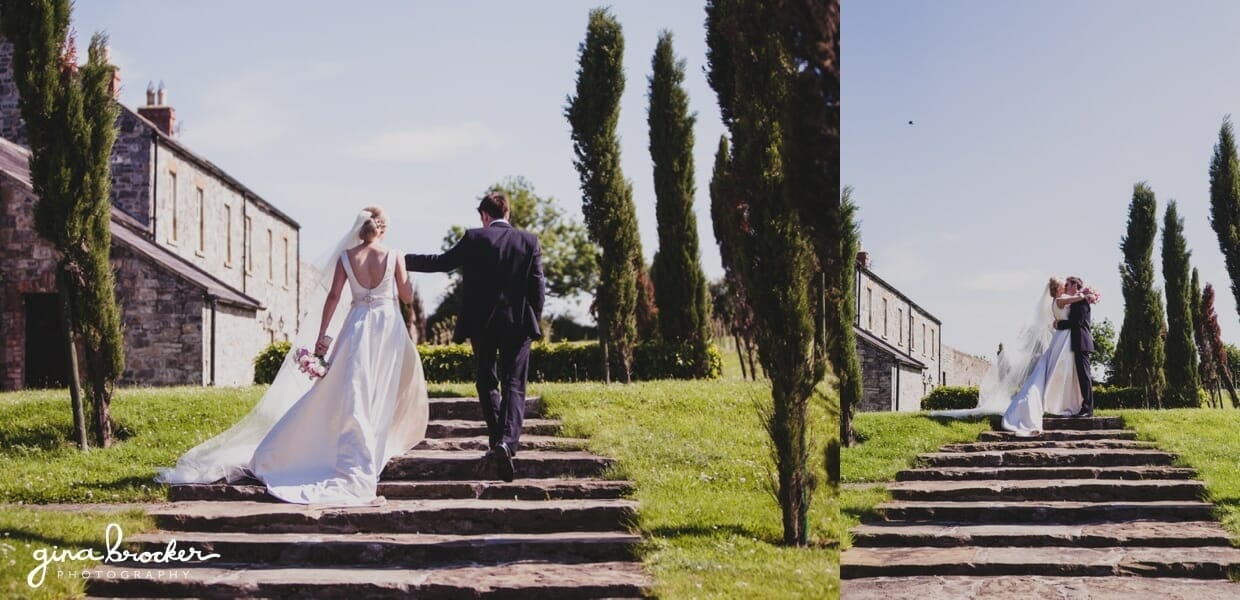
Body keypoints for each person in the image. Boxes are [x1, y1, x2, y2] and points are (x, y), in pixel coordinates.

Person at [156, 207, 429, 505]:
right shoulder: (394, 256)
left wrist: (323, 337)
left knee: (350, 388)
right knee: (379, 388)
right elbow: (404, 296)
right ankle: (369, 445)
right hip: (386, 328)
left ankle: (335, 444)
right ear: (382, 228)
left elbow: (335, 296)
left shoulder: (346, 258)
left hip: (357, 325)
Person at [405, 191, 544, 482]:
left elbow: (441, 262)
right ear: (508, 213)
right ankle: (507, 442)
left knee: (486, 380)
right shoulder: (529, 241)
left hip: (483, 325)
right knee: (515, 384)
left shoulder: (474, 238)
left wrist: (400, 260)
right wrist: (533, 318)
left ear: (484, 216)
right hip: (519, 324)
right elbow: (537, 288)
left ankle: (497, 441)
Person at [1000, 277, 1091, 436]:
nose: (1066, 286)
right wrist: (1086, 294)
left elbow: (1074, 317)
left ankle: (1070, 404)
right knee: (1058, 372)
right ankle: (1059, 403)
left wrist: (1084, 296)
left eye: (1068, 284)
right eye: (1064, 284)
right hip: (1063, 340)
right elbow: (1077, 302)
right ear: (1058, 289)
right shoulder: (1061, 300)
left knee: (1063, 373)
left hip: (1065, 339)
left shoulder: (1064, 300)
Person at [1055, 276, 1098, 417]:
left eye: (1068, 284)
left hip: (1082, 342)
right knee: (1081, 376)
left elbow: (1077, 322)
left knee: (1084, 376)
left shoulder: (1081, 302)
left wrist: (1059, 324)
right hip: (1077, 342)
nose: (1066, 287)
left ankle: (1088, 408)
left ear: (1075, 285)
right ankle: (1083, 406)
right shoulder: (1076, 301)